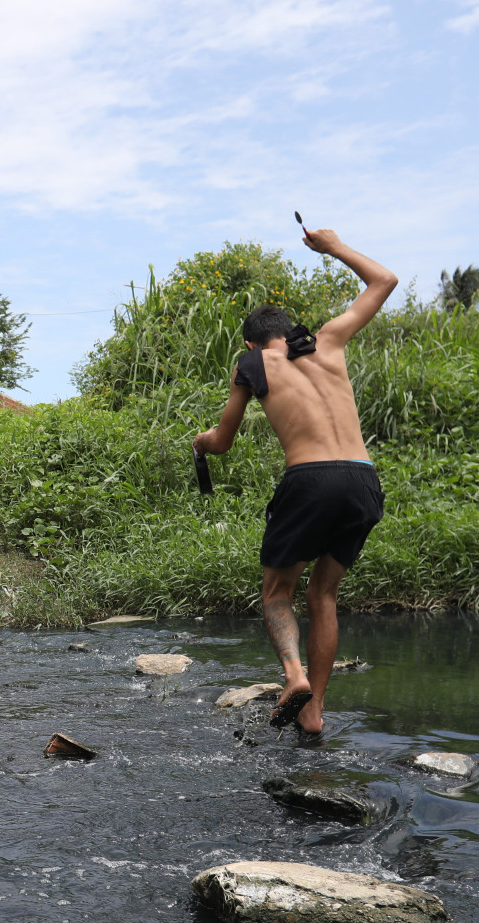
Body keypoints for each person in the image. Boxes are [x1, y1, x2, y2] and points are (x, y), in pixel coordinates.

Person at [192, 227, 398, 735]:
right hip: (363, 480)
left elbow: (223, 441)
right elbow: (385, 280)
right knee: (323, 595)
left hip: (310, 480)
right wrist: (332, 247)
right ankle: (314, 713)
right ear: (289, 329)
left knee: (276, 593)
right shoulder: (329, 341)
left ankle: (293, 677)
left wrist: (200, 443)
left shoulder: (252, 363)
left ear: (250, 341)